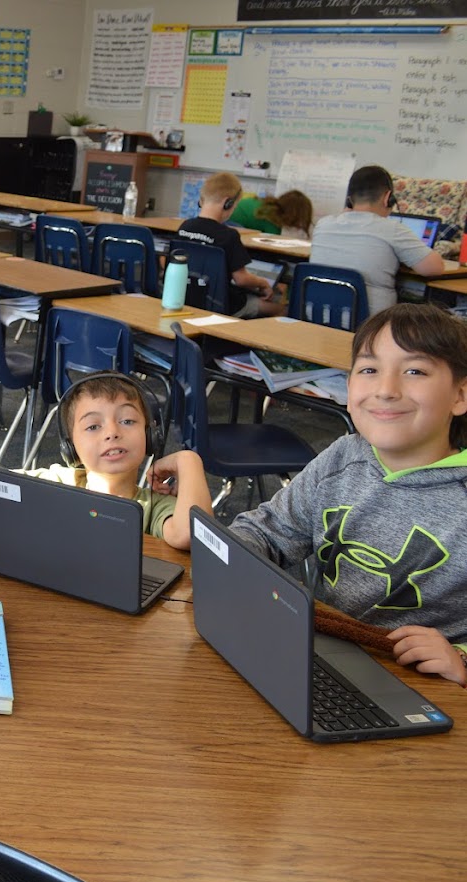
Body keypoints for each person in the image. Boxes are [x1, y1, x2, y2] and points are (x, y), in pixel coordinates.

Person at [228, 303, 467, 686]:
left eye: (415, 371)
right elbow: (266, 531)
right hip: (321, 657)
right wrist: (231, 560)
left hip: (420, 685)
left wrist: (461, 660)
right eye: (369, 370)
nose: (386, 390)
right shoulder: (344, 455)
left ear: (460, 395)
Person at [0, 372, 211, 555]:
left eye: (127, 420)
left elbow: (189, 535)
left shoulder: (154, 507)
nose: (112, 432)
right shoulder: (58, 482)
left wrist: (189, 460)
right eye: (93, 427)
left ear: (150, 435)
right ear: (70, 446)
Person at [309, 165, 445, 316]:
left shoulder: (324, 224)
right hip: (370, 326)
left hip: (318, 315)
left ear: (349, 200)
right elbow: (434, 268)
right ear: (388, 198)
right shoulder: (392, 229)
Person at [177, 172, 278, 317]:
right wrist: (262, 283)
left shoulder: (185, 227)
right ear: (228, 203)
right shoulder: (228, 236)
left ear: (202, 200)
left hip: (186, 298)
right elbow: (242, 280)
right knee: (279, 309)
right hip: (221, 305)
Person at [228, 189, 314, 239]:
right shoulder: (273, 219)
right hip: (230, 224)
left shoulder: (268, 204)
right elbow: (272, 245)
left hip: (225, 217)